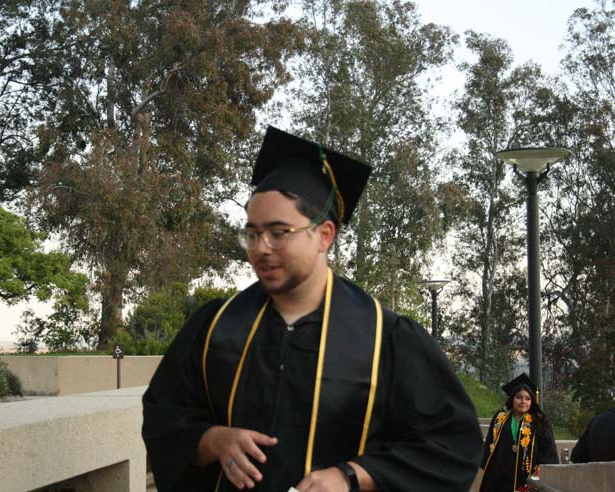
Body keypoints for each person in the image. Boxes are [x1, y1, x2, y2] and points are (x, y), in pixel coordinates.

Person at [142, 126, 482, 492]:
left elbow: (451, 446)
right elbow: (165, 414)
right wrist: (212, 440)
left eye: (278, 232)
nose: (260, 248)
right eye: (252, 233)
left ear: (324, 235)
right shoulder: (214, 328)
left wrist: (352, 476)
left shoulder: (387, 339)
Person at [479, 373, 558, 492]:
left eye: (528, 398)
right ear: (512, 398)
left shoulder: (539, 422)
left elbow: (548, 452)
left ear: (532, 401)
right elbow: (489, 446)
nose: (523, 401)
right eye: (519, 397)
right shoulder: (500, 419)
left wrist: (538, 476)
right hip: (499, 480)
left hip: (526, 481)